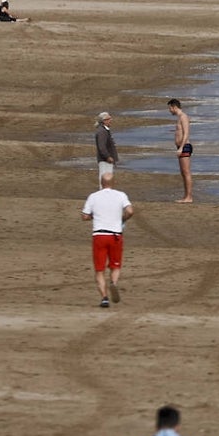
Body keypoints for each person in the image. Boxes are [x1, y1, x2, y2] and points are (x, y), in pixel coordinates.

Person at [81, 172, 133, 307]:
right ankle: (114, 283)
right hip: (115, 235)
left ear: (101, 183)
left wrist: (94, 216)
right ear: (113, 183)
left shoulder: (93, 197)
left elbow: (84, 216)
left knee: (99, 269)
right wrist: (123, 219)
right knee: (115, 266)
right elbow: (130, 211)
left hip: (99, 235)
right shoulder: (121, 195)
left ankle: (104, 297)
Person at [168, 99, 193, 203]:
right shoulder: (179, 117)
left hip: (185, 147)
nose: (169, 111)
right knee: (183, 172)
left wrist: (181, 147)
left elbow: (186, 134)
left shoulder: (183, 117)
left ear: (174, 107)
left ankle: (189, 197)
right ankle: (186, 196)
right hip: (180, 147)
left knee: (186, 172)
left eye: (170, 108)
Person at [95, 111, 119, 183]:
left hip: (105, 160)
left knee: (106, 178)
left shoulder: (104, 130)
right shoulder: (102, 131)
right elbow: (101, 147)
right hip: (105, 160)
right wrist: (108, 157)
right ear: (104, 121)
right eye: (109, 119)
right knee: (105, 178)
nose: (110, 120)